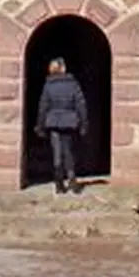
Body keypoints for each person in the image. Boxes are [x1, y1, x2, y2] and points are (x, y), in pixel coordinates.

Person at [35, 56, 89, 193]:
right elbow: (80, 104)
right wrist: (84, 123)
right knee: (68, 151)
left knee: (57, 153)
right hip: (69, 121)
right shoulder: (72, 84)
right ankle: (72, 180)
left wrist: (40, 126)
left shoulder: (49, 85)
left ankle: (59, 183)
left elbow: (43, 107)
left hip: (53, 122)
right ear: (63, 68)